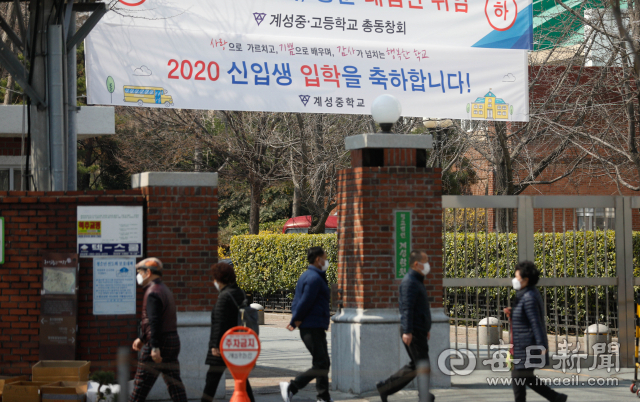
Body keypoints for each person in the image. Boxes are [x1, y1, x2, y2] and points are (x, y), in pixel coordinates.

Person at [504, 261, 567, 402]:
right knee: (525, 379)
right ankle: (557, 398)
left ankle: (556, 397)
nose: (515, 280)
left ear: (526, 280)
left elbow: (536, 322)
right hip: (522, 346)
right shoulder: (525, 294)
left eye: (517, 277)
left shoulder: (529, 297)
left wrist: (541, 345)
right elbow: (525, 317)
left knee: (519, 380)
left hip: (527, 346)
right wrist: (512, 313)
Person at [376, 250, 435, 402]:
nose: (428, 265)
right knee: (421, 365)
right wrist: (408, 331)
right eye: (425, 261)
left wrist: (426, 328)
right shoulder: (410, 282)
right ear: (416, 264)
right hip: (413, 331)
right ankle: (423, 396)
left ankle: (386, 387)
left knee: (417, 365)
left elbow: (420, 308)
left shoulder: (417, 281)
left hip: (419, 329)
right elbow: (407, 308)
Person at [130, 258, 188, 402]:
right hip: (172, 340)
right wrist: (142, 338)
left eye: (140, 272)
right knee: (175, 386)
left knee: (140, 387)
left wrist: (154, 346)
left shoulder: (152, 293)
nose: (138, 276)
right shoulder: (164, 289)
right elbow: (160, 319)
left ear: (148, 272)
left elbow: (154, 321)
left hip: (158, 344)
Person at [280, 246, 332, 402]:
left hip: (315, 325)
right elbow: (305, 302)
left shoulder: (309, 275)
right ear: (318, 259)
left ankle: (323, 397)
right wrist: (294, 321)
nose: (327, 261)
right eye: (325, 257)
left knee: (323, 362)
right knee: (321, 363)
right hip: (311, 326)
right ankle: (292, 387)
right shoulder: (314, 278)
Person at [201, 262, 256, 402]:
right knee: (242, 378)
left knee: (211, 381)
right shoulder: (239, 293)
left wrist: (214, 345)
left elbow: (219, 322)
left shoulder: (224, 297)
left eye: (215, 278)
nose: (214, 281)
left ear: (220, 279)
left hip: (224, 344)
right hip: (239, 341)